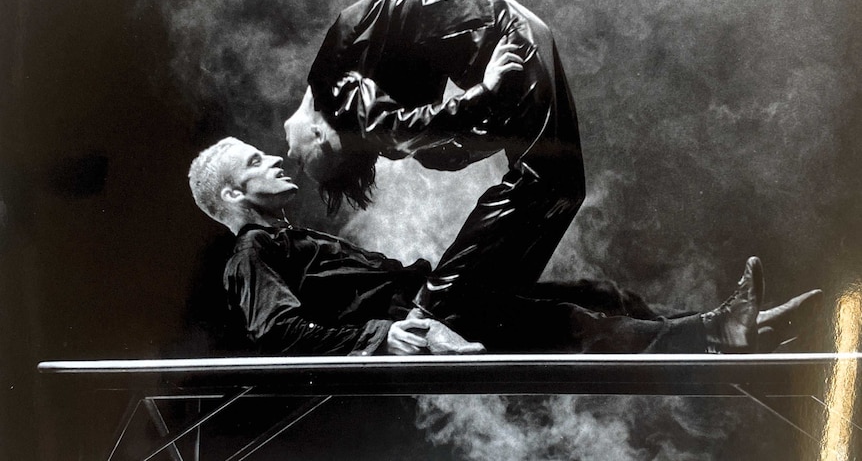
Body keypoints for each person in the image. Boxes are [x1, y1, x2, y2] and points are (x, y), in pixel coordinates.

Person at [188, 137, 821, 356]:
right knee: (573, 320)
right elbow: (281, 335)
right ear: (235, 196)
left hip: (437, 299)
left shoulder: (293, 237)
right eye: (254, 161)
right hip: (429, 317)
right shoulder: (253, 256)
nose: (273, 158)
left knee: (598, 294)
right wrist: (378, 338)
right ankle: (717, 333)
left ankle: (721, 331)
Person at [282, 0, 585, 323]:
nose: (289, 156)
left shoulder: (333, 85)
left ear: (319, 135)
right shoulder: (341, 80)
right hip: (502, 31)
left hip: (499, 32)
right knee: (553, 185)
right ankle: (479, 304)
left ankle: (438, 309)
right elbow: (408, 132)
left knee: (548, 184)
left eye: (301, 161)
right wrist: (479, 110)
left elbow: (395, 135)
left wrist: (485, 95)